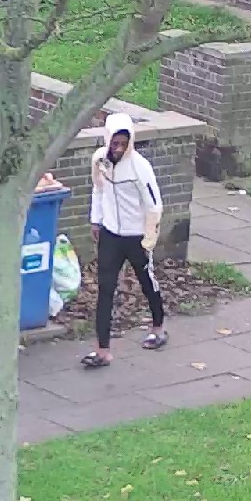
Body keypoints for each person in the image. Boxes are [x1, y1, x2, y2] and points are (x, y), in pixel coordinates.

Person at [81, 112, 167, 369]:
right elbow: (98, 189)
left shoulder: (140, 168)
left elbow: (154, 206)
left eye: (123, 144)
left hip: (135, 236)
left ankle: (158, 327)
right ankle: (102, 350)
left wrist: (149, 239)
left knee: (146, 282)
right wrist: (96, 220)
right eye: (114, 143)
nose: (118, 149)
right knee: (105, 290)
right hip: (110, 234)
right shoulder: (99, 160)